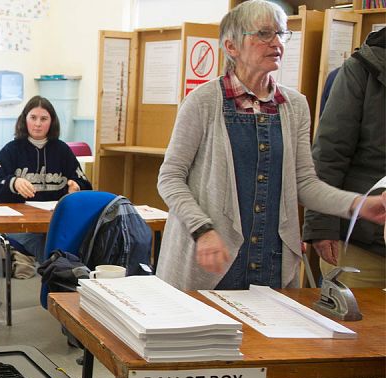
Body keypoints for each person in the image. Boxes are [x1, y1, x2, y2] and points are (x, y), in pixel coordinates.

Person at [156, 0, 385, 292]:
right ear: (232, 46)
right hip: (211, 259)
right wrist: (203, 229)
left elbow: (304, 184)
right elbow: (170, 178)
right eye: (264, 33)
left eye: (281, 34)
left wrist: (357, 204)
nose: (276, 42)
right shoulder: (202, 102)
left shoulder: (295, 106)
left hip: (270, 259)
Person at [302, 28, 385, 378]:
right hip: (361, 236)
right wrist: (320, 226)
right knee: (347, 347)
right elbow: (328, 153)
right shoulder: (362, 71)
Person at [0, 95, 92, 262]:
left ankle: (64, 275)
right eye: (33, 118)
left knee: (80, 240)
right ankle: (59, 276)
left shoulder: (62, 151)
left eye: (44, 119)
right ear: (24, 120)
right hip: (19, 223)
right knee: (47, 245)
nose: (38, 124)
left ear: (52, 122)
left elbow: (85, 184)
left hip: (54, 221)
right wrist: (13, 182)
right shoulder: (11, 150)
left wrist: (76, 186)